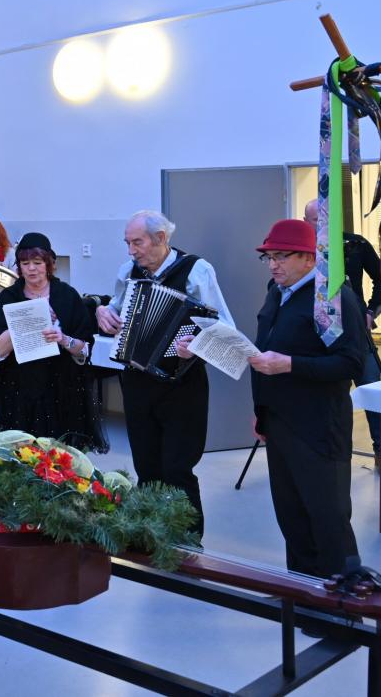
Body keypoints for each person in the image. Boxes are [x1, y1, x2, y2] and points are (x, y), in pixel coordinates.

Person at [94, 210, 233, 535]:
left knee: (178, 468)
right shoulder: (128, 272)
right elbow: (115, 308)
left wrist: (196, 345)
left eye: (137, 242)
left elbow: (225, 328)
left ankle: (188, 543)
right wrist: (103, 312)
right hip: (137, 381)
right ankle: (150, 537)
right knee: (146, 466)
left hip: (182, 386)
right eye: (127, 243)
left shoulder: (196, 270)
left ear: (160, 238)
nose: (131, 251)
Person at [248, 219, 364, 577]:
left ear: (310, 259)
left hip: (318, 426)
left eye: (281, 256)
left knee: (327, 517)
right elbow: (268, 346)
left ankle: (343, 599)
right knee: (292, 516)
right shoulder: (277, 291)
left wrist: (290, 365)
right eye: (268, 257)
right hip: (278, 420)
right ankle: (302, 594)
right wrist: (261, 412)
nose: (273, 265)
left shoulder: (329, 297)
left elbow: (350, 363)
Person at [302, 199, 381, 478]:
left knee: (372, 390)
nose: (323, 223)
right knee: (327, 397)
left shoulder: (356, 244)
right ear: (306, 222)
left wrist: (371, 310)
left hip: (356, 334)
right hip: (320, 336)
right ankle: (327, 452)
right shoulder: (303, 252)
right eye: (316, 219)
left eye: (326, 217)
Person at [0, 233, 105, 451]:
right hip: (20, 390)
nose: (31, 269)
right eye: (25, 263)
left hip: (62, 389)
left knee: (60, 458)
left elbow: (83, 349)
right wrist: (27, 319)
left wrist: (62, 338)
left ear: (49, 264)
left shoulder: (67, 295)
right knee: (23, 455)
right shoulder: (9, 297)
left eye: (37, 262)